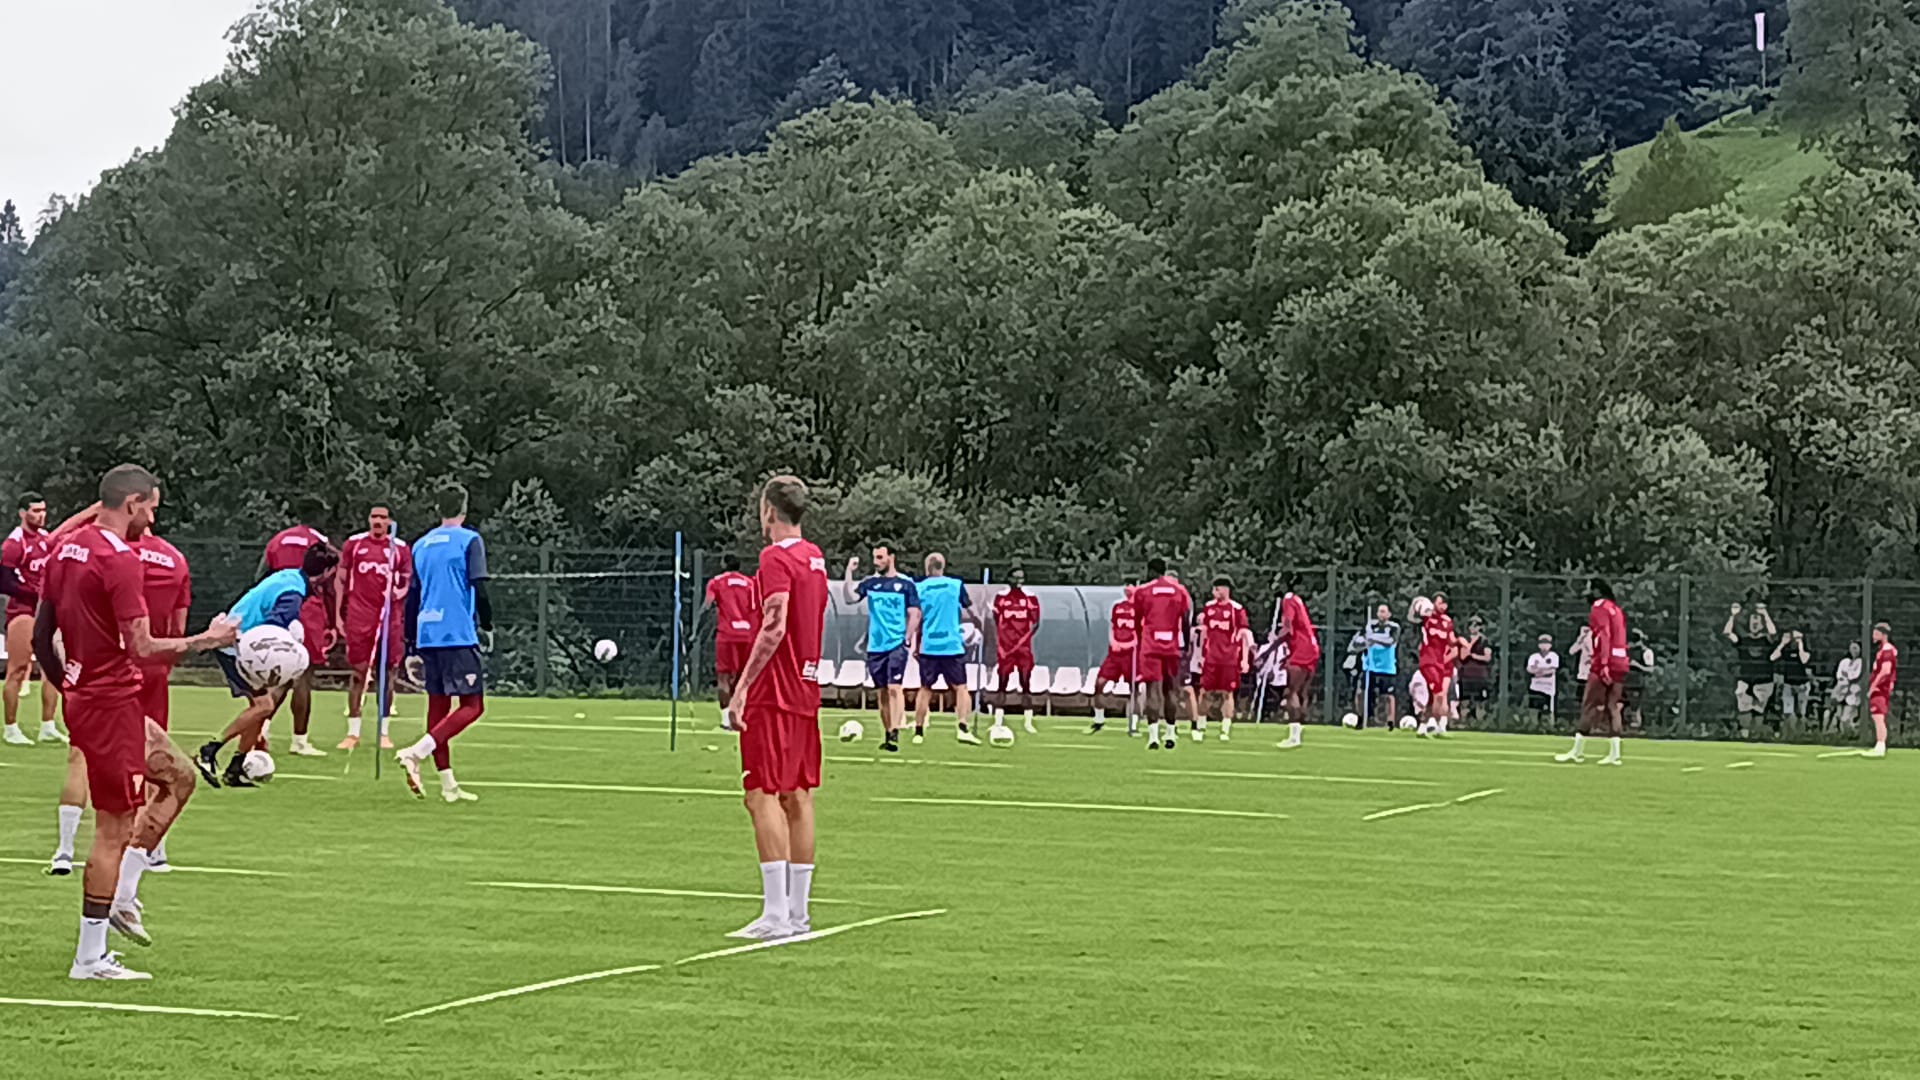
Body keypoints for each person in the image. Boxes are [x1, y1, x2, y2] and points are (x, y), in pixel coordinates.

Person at [37, 464, 235, 979]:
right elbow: (142, 646)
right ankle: (89, 957)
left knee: (180, 777)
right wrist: (207, 641)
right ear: (132, 504)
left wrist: (69, 686)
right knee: (113, 828)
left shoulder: (66, 548)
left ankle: (124, 895)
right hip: (109, 706)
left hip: (98, 700)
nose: (153, 518)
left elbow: (41, 636)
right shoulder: (120, 560)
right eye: (151, 507)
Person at [724, 475, 828, 941]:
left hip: (775, 691)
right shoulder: (814, 557)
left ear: (768, 511)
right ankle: (797, 914)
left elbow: (774, 624)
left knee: (761, 793)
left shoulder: (775, 558)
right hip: (806, 686)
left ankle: (775, 914)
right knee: (797, 794)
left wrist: (743, 687)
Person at [194, 544, 340, 788]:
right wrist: (291, 644)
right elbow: (271, 630)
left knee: (260, 707)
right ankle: (209, 750)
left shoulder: (290, 575)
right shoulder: (293, 595)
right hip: (234, 645)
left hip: (233, 638)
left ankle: (236, 768)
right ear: (326, 572)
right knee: (264, 706)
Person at [395, 485, 493, 802]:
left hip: (427, 631)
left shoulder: (421, 544)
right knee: (473, 706)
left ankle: (448, 785)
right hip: (456, 632)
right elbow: (480, 586)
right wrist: (488, 624)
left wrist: (410, 642)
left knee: (438, 707)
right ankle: (416, 753)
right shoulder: (470, 540)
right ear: (465, 507)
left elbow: (413, 596)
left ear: (439, 508)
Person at [336, 506, 412, 751]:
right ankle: (353, 732)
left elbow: (406, 581)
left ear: (389, 521)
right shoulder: (354, 544)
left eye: (383, 517)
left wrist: (398, 592)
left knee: (387, 675)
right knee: (359, 673)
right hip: (360, 617)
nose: (378, 521)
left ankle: (383, 732)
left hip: (389, 618)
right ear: (369, 519)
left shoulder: (400, 548)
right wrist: (339, 615)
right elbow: (341, 579)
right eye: (374, 517)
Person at [261, 517, 335, 757]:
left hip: (280, 607)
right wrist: (333, 621)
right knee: (302, 676)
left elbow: (262, 573)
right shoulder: (318, 541)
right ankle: (299, 740)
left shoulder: (278, 539)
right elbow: (330, 582)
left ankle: (261, 727)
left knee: (280, 674)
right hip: (308, 610)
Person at [842, 544, 921, 744]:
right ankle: (888, 732)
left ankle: (895, 730)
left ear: (891, 558)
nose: (876, 562)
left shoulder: (905, 584)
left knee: (895, 687)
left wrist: (907, 638)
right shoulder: (871, 583)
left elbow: (915, 613)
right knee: (882, 692)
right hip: (876, 646)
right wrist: (849, 573)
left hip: (896, 644)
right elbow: (850, 599)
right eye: (874, 558)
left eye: (880, 557)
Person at [2, 491, 63, 746]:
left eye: (43, 510)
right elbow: (4, 582)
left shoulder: (47, 540)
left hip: (47, 610)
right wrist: (34, 595)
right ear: (22, 513)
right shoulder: (14, 543)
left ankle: (48, 725)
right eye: (35, 511)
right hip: (23, 610)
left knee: (53, 669)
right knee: (17, 669)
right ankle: (10, 727)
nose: (41, 515)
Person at [1556, 579, 1628, 765]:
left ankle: (1577, 751)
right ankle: (1615, 754)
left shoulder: (1599, 607)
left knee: (1589, 704)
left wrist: (1603, 663)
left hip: (1605, 661)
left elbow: (1603, 634)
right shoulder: (1616, 609)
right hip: (1620, 660)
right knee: (1613, 706)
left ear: (1597, 591)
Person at [910, 553, 976, 748]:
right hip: (951, 645)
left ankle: (919, 731)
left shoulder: (919, 587)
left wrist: (914, 643)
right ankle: (962, 727)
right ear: (943, 566)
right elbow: (971, 610)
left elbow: (916, 617)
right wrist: (978, 627)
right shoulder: (956, 585)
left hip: (929, 645)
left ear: (927, 567)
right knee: (961, 687)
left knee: (925, 688)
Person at [1136, 558, 1193, 750]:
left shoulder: (1143, 591)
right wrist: (1186, 644)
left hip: (1151, 646)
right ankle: (1170, 733)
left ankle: (1153, 736)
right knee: (1171, 690)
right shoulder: (1179, 590)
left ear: (1151, 571)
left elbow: (1137, 620)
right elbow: (1186, 619)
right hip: (1172, 645)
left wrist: (1141, 640)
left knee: (1153, 690)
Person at [701, 553, 758, 734]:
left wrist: (696, 630)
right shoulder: (750, 583)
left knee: (723, 678)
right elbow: (757, 608)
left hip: (727, 634)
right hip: (747, 635)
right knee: (743, 679)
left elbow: (707, 605)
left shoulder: (717, 582)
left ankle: (727, 720)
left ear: (724, 564)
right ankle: (740, 717)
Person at [1195, 577, 1249, 742]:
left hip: (1229, 658)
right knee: (1205, 692)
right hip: (1211, 657)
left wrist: (1244, 659)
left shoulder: (1236, 609)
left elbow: (1243, 635)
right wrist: (1200, 654)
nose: (1214, 592)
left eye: (1217, 589)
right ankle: (1200, 727)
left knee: (1227, 693)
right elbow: (1204, 632)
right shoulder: (1209, 608)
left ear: (1225, 590)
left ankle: (1225, 729)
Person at [1088, 586, 1139, 735]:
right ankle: (1099, 720)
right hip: (1114, 655)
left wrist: (1128, 645)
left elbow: (1141, 631)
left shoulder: (1141, 608)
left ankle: (1133, 724)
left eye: (1131, 585)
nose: (1127, 588)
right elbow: (1112, 626)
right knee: (1099, 683)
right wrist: (1113, 642)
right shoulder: (1118, 606)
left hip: (1131, 655)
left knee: (1134, 690)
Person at [1277, 575, 1319, 747]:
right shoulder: (1297, 599)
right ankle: (1298, 733)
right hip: (1311, 647)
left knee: (1291, 691)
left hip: (1302, 649)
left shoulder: (1288, 599)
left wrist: (1272, 644)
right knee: (1301, 693)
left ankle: (1294, 737)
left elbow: (1288, 626)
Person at [1725, 602, 1777, 736]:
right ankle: (1745, 734)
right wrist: (1733, 616)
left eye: (1757, 622)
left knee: (1758, 711)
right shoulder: (1743, 640)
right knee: (1744, 707)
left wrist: (1765, 613)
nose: (1754, 625)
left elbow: (1773, 632)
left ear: (1762, 625)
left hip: (1763, 680)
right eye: (1752, 622)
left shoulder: (1766, 640)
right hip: (1746, 679)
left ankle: (1756, 735)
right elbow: (1728, 633)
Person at [1415, 592, 1461, 737]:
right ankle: (1434, 723)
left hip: (1440, 663)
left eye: (1445, 603)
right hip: (1428, 662)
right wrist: (1418, 605)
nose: (1443, 606)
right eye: (1440, 602)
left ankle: (1423, 726)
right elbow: (1414, 615)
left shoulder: (1447, 621)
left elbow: (1452, 641)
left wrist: (1460, 641)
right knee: (1439, 693)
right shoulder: (1427, 617)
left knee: (1433, 697)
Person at [1360, 604, 1399, 728]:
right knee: (1363, 692)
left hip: (1387, 667)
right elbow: (1361, 639)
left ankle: (1390, 721)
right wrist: (1365, 640)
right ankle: (1363, 718)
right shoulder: (1370, 626)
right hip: (1371, 665)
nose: (1381, 614)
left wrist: (1373, 639)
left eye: (1383, 611)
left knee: (1388, 695)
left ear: (1389, 614)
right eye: (1379, 611)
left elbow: (1390, 642)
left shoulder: (1394, 627)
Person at [1772, 630, 1812, 734]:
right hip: (1788, 684)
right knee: (1788, 711)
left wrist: (1800, 645)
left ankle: (1801, 732)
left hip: (1802, 685)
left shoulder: (1805, 650)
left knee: (1801, 712)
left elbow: (1804, 660)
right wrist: (1782, 644)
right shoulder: (1786, 650)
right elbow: (1772, 657)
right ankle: (1789, 732)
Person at [1865, 622, 1895, 758]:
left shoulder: (1887, 650)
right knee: (1877, 716)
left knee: (1878, 717)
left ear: (1883, 635)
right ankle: (1879, 744)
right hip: (1882, 687)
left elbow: (1885, 670)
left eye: (1876, 633)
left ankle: (1880, 746)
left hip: (1880, 688)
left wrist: (1873, 686)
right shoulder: (1883, 649)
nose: (1873, 636)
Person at [1457, 616, 1492, 726]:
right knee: (1464, 701)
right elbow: (1463, 656)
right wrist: (1470, 644)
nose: (1473, 627)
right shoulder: (1465, 640)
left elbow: (1487, 657)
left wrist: (1474, 656)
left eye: (1476, 625)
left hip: (1480, 675)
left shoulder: (1485, 640)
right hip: (1466, 675)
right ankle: (1463, 723)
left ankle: (1480, 724)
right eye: (1471, 625)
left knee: (1480, 702)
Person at [1830, 641, 1864, 733]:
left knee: (1846, 718)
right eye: (1851, 648)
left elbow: (1855, 676)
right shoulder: (1844, 661)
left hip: (1853, 692)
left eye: (1855, 648)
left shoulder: (1861, 662)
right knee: (1837, 714)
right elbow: (1839, 675)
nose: (1853, 650)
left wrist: (1847, 676)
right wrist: (1846, 677)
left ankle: (1852, 734)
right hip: (1841, 690)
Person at [1526, 633, 1560, 723]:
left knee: (1548, 710)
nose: (1544, 645)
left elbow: (1552, 671)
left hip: (1548, 689)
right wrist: (1543, 670)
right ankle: (1533, 726)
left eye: (1547, 643)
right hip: (1535, 688)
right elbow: (1530, 669)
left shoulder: (1554, 656)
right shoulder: (1533, 657)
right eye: (1542, 643)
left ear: (1551, 645)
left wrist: (1538, 671)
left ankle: (1549, 725)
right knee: (1534, 709)